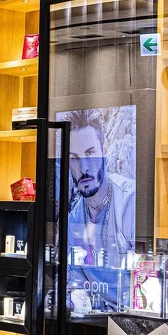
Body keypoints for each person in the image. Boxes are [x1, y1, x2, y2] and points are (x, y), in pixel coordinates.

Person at [63, 108, 135, 311]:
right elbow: (76, 285)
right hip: (97, 322)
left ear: (104, 152)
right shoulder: (74, 219)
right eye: (74, 158)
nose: (84, 167)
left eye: (90, 153)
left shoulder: (129, 202)